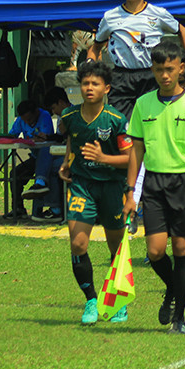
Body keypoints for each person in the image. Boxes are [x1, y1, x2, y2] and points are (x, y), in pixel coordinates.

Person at [123, 42, 185, 335]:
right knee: (155, 250)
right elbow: (135, 151)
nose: (165, 75)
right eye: (160, 69)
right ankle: (173, 289)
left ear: (181, 69)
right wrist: (130, 194)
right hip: (154, 185)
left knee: (182, 247)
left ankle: (180, 317)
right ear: (153, 69)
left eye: (170, 69)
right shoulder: (143, 104)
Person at [57, 61, 134, 325]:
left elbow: (129, 160)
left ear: (107, 88)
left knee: (116, 248)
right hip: (81, 185)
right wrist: (67, 162)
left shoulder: (116, 120)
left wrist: (103, 158)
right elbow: (72, 140)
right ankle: (91, 299)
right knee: (78, 243)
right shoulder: (69, 117)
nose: (89, 88)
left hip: (112, 187)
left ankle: (118, 301)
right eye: (85, 83)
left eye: (95, 84)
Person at [86, 0, 185, 117]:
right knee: (122, 125)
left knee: (152, 120)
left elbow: (182, 30)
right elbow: (96, 47)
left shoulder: (158, 13)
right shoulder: (110, 17)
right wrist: (89, 66)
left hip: (151, 75)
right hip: (121, 77)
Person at [4, 98, 63, 222]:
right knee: (15, 173)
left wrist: (40, 138)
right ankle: (18, 208)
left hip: (46, 155)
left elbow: (46, 140)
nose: (27, 122)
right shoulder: (21, 120)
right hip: (34, 157)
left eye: (30, 120)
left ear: (36, 112)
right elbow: (13, 134)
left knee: (46, 161)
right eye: (24, 120)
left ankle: (41, 186)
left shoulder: (45, 116)